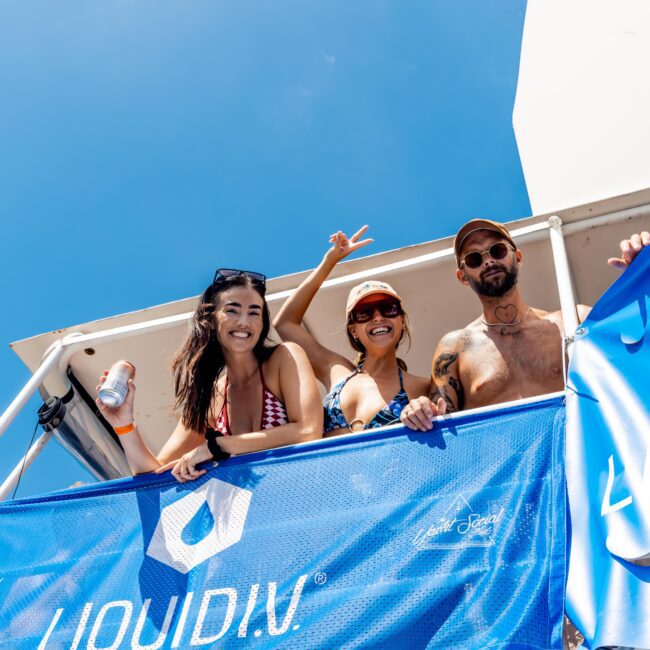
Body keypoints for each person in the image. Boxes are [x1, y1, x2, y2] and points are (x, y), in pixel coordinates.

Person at [400, 220, 650, 430]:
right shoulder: (456, 347)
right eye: (475, 259)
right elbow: (437, 422)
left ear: (517, 257)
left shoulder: (574, 321)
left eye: (497, 251)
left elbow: (637, 358)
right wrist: (418, 410)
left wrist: (642, 281)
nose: (488, 262)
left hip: (579, 470)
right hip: (509, 482)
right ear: (462, 276)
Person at [96, 268, 323, 482]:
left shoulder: (284, 357)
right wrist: (123, 425)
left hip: (303, 502)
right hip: (250, 517)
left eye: (254, 313)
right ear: (212, 320)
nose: (244, 322)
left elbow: (308, 432)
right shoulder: (212, 397)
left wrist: (216, 446)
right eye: (232, 310)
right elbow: (155, 474)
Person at [273, 226, 434, 436]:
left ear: (401, 321)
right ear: (354, 330)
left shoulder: (422, 386)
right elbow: (284, 323)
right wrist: (329, 262)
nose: (378, 317)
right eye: (364, 313)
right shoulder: (336, 371)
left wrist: (425, 407)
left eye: (388, 309)